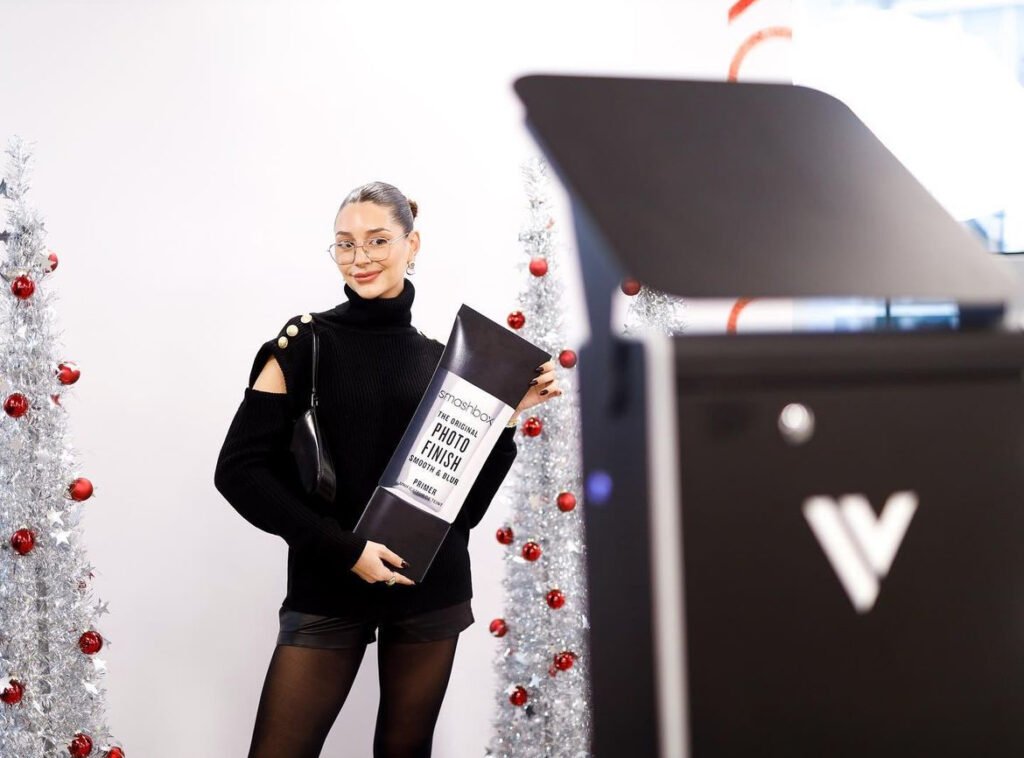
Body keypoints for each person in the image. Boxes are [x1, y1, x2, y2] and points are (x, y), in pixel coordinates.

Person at [213, 181, 561, 758]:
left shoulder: (441, 359)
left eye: (377, 240)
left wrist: (504, 420)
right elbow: (239, 471)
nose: (361, 257)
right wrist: (346, 550)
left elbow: (465, 511)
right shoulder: (302, 342)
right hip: (329, 578)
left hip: (428, 586)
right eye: (345, 244)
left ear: (411, 243)